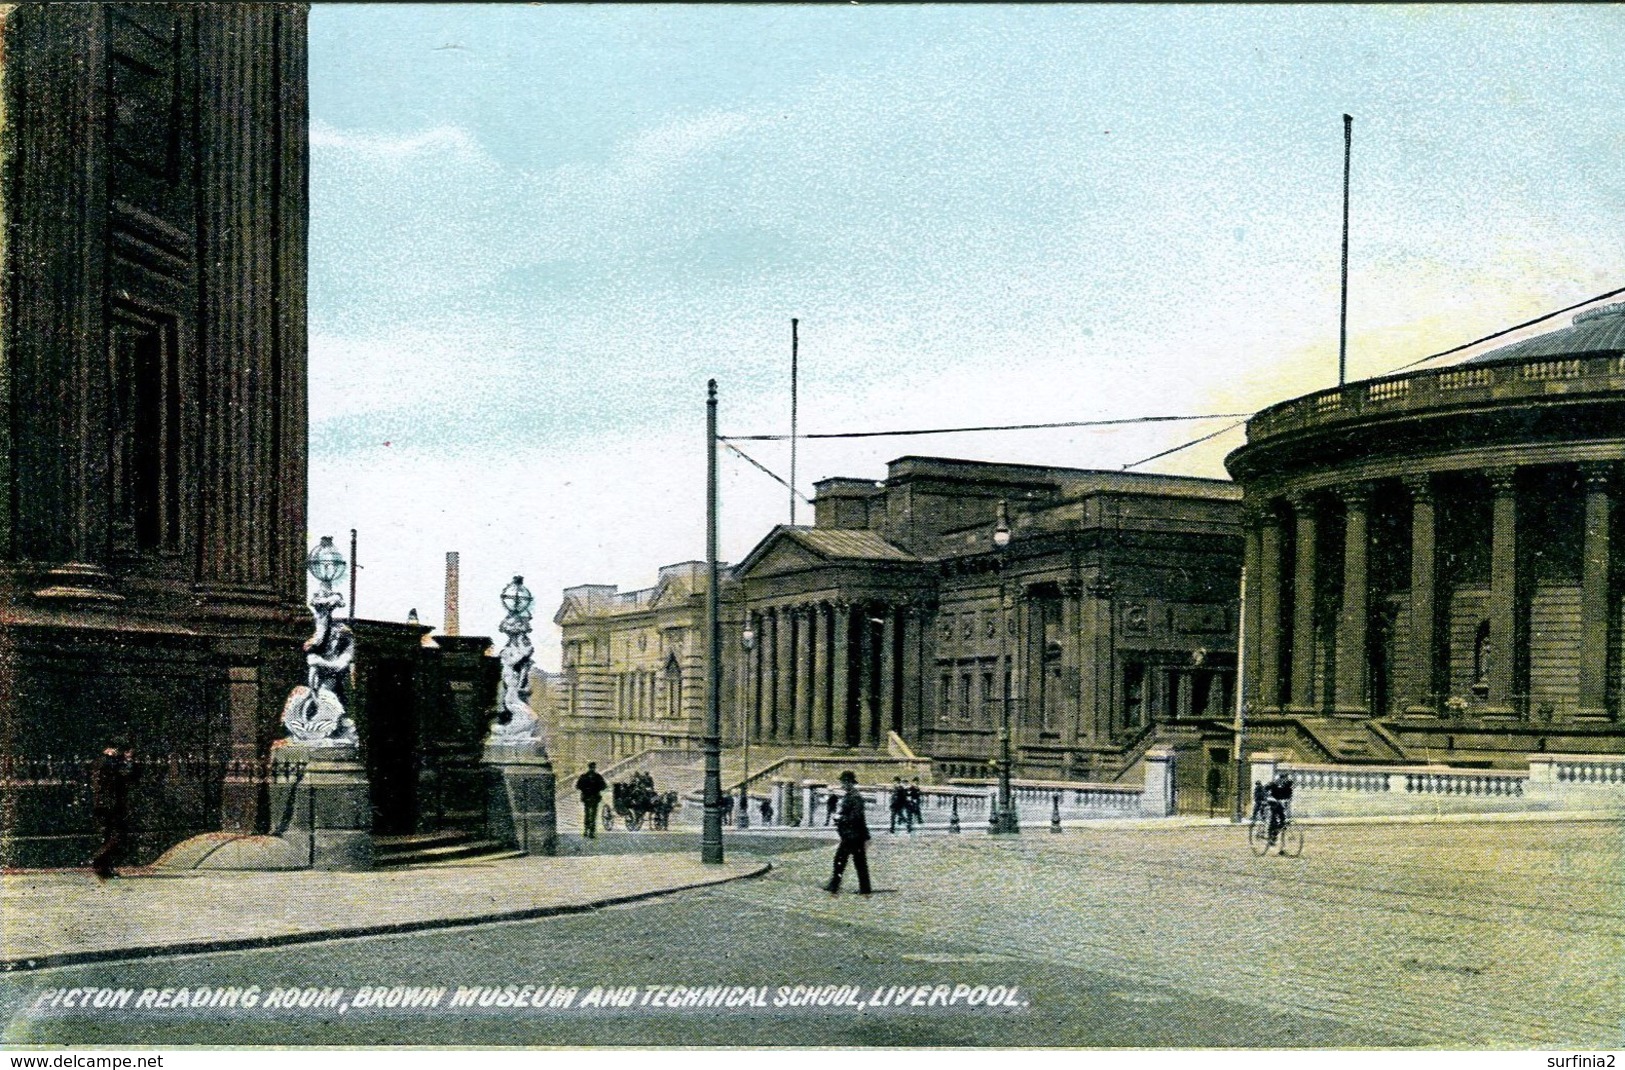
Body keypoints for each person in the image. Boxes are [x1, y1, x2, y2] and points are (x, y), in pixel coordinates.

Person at [90, 747, 136, 880]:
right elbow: (127, 775)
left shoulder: (98, 762)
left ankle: (104, 868)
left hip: (100, 803)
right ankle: (98, 859)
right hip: (111, 804)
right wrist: (128, 760)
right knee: (118, 834)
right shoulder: (110, 762)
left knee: (108, 834)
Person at [824, 771, 872, 895]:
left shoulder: (855, 797)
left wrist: (841, 819)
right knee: (857, 861)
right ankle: (864, 887)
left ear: (850, 783)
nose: (842, 785)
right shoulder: (850, 796)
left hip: (853, 835)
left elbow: (857, 817)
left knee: (842, 860)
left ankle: (835, 885)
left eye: (844, 782)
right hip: (852, 834)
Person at [575, 762, 608, 839]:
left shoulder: (584, 776)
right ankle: (590, 831)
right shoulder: (597, 776)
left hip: (588, 797)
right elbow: (604, 786)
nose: (593, 769)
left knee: (588, 814)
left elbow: (578, 786)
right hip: (593, 797)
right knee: (592, 815)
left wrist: (585, 790)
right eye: (593, 767)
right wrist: (596, 789)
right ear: (593, 768)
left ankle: (587, 830)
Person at [1265, 771, 1294, 849]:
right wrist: (1266, 797)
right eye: (1284, 778)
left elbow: (1289, 795)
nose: (1285, 780)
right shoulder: (1274, 783)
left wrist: (1287, 801)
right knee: (1273, 819)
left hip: (1280, 803)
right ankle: (1271, 836)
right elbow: (1266, 788)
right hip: (1272, 801)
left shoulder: (1288, 784)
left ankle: (1280, 843)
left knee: (1282, 821)